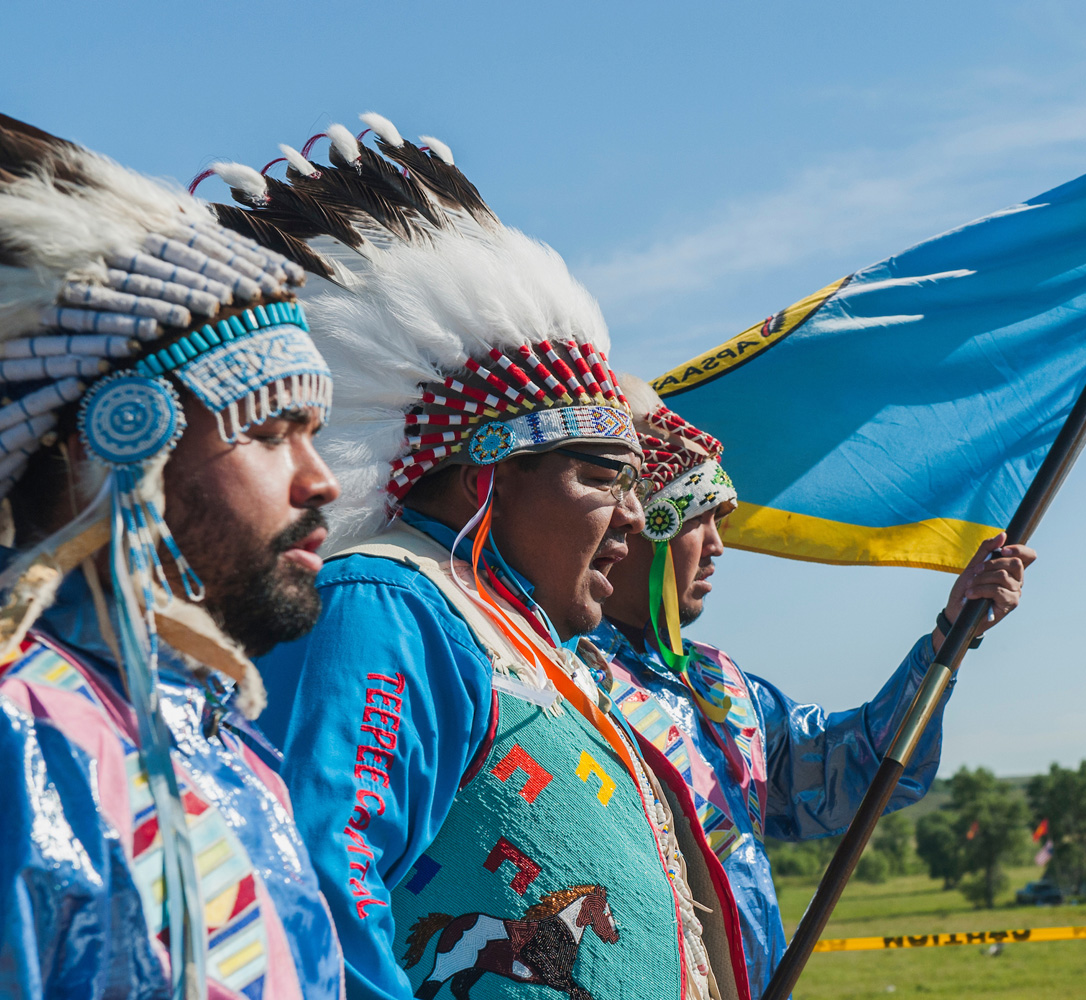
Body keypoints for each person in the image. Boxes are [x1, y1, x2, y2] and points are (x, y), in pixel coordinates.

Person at [214, 114, 750, 1000]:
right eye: (602, 476)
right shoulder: (388, 603)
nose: (632, 516)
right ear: (485, 484)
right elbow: (315, 893)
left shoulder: (523, 636)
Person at [0, 81, 345, 998]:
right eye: (268, 431)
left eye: (315, 435)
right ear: (118, 438)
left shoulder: (224, 741)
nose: (321, 481)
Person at [587, 376, 1037, 996]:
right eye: (699, 519)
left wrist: (947, 639)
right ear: (636, 525)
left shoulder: (717, 681)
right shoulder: (555, 671)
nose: (719, 546)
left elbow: (842, 768)